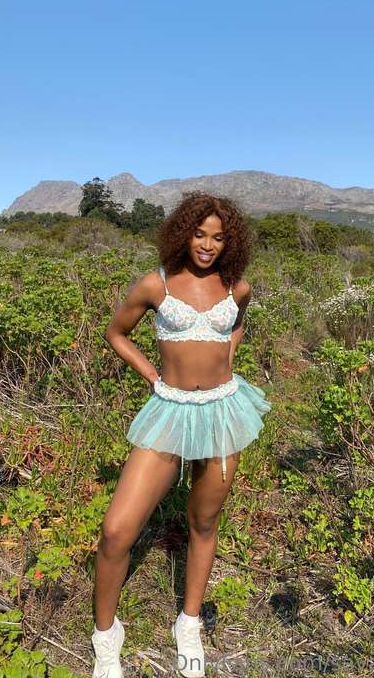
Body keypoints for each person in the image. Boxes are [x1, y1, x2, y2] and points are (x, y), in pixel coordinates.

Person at [90, 191, 271, 678]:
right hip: (170, 411)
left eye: (219, 237)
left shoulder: (236, 288)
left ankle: (188, 623)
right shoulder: (158, 284)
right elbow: (116, 333)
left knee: (204, 523)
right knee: (116, 531)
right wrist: (153, 376)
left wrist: (226, 358)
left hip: (222, 411)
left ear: (230, 242)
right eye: (199, 234)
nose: (208, 245)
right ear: (182, 233)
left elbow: (236, 326)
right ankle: (106, 637)